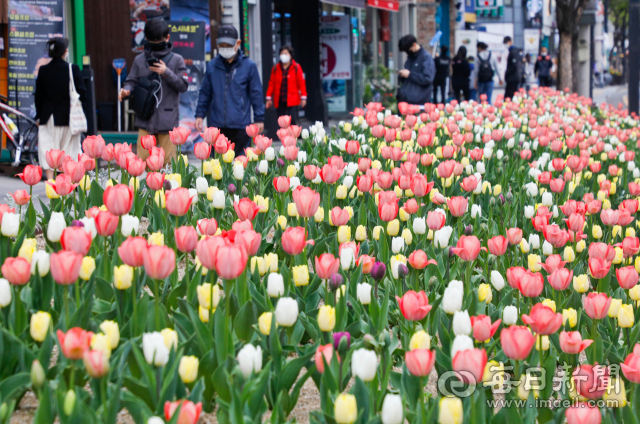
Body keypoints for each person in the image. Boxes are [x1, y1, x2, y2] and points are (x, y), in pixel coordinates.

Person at [120, 18, 188, 165]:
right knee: (142, 162)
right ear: (146, 39)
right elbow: (131, 80)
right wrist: (126, 90)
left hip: (167, 121)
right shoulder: (139, 60)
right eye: (152, 41)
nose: (156, 44)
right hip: (145, 119)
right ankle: (151, 187)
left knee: (169, 164)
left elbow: (183, 85)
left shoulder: (177, 60)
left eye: (159, 41)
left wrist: (166, 72)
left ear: (167, 38)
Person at [196, 25, 265, 157]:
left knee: (241, 166)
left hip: (241, 125)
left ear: (237, 43)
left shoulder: (248, 66)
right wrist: (200, 114)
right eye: (221, 45)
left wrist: (259, 118)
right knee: (217, 167)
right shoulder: (212, 66)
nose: (225, 48)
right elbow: (205, 93)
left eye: (228, 44)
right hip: (216, 126)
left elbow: (256, 94)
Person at [35, 37, 86, 180]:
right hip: (69, 117)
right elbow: (83, 93)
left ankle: (51, 181)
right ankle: (67, 180)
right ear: (65, 51)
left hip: (48, 117)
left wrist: (39, 116)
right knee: (69, 149)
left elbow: (39, 96)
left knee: (48, 148)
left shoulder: (43, 70)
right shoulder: (72, 68)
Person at [265, 45, 307, 126]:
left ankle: (293, 137)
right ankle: (284, 137)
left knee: (293, 120)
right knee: (281, 122)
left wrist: (303, 97)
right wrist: (268, 97)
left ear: (290, 55)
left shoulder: (296, 67)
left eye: (286, 53)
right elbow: (271, 83)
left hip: (293, 99)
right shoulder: (275, 68)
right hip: (280, 99)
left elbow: (301, 83)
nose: (283, 55)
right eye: (282, 53)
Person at [396, 34, 436, 105]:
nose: (408, 52)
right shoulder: (410, 58)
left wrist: (409, 74)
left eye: (408, 50)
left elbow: (428, 78)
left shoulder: (426, 58)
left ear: (414, 45)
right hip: (406, 99)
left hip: (419, 102)